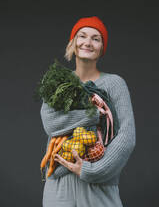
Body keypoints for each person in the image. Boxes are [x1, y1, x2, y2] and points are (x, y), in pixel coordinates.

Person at [40, 16, 136, 207]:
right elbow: (51, 123)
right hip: (59, 185)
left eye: (96, 38)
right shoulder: (57, 81)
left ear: (102, 48)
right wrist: (95, 114)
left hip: (99, 186)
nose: (88, 42)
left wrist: (93, 170)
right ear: (73, 43)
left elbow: (127, 137)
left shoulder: (114, 84)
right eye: (82, 36)